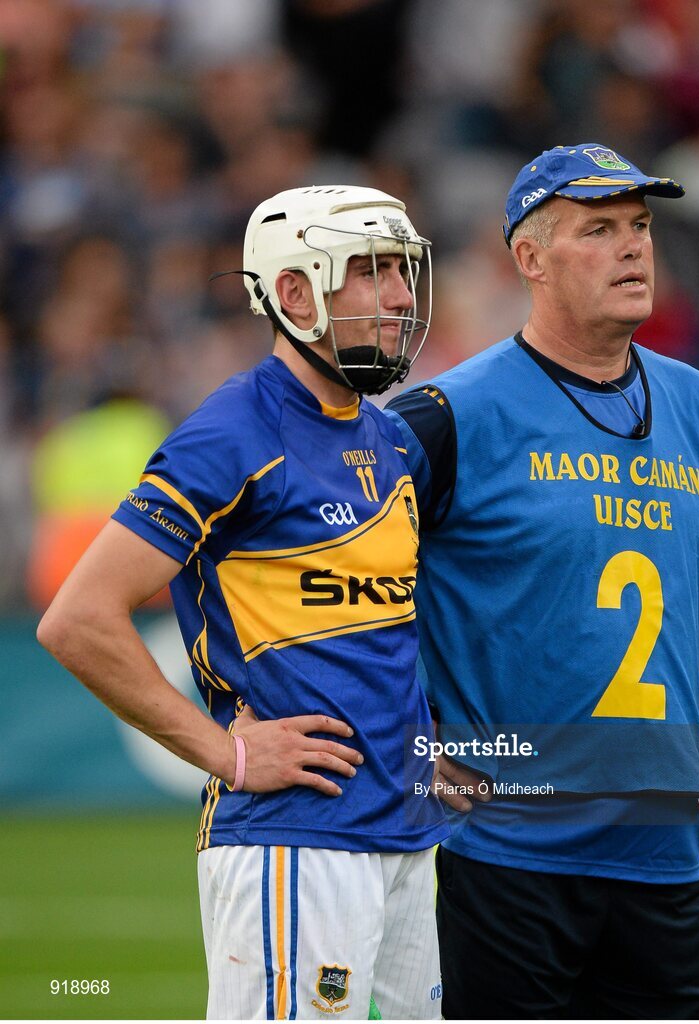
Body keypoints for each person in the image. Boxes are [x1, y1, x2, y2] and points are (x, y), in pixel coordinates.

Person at [386, 144, 699, 1019]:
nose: (634, 248)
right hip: (501, 860)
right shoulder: (444, 417)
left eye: (640, 227)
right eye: (599, 229)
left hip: (662, 860)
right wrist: (408, 733)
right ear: (529, 259)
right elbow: (330, 585)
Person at [37, 186, 448, 1020]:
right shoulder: (231, 432)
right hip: (295, 843)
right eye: (369, 272)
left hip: (408, 834)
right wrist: (226, 754)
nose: (402, 296)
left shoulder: (394, 439)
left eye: (402, 271)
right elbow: (77, 617)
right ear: (294, 293)